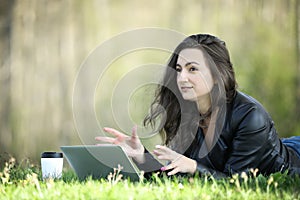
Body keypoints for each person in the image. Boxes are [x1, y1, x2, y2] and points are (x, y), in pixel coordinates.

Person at [95, 34, 300, 178]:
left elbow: (237, 185)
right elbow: (175, 179)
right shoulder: (188, 113)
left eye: (192, 69)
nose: (181, 77)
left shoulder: (250, 116)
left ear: (218, 74)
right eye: (179, 69)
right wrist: (141, 156)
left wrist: (194, 166)